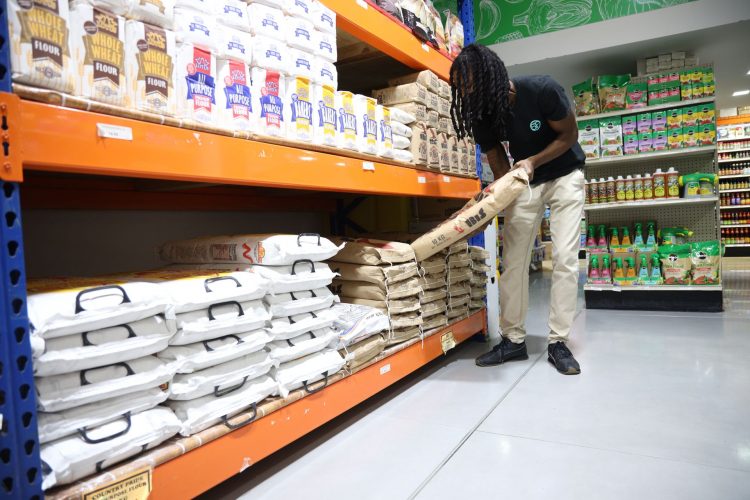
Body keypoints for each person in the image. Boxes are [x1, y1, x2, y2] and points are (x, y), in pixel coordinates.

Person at [450, 44, 585, 375]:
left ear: (492, 78)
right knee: (512, 262)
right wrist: (495, 200)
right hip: (525, 181)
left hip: (565, 174)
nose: (467, 95)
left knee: (565, 260)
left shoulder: (542, 90)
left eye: (471, 86)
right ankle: (513, 341)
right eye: (462, 90)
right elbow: (498, 164)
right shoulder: (482, 114)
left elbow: (569, 135)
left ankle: (558, 343)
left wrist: (532, 161)